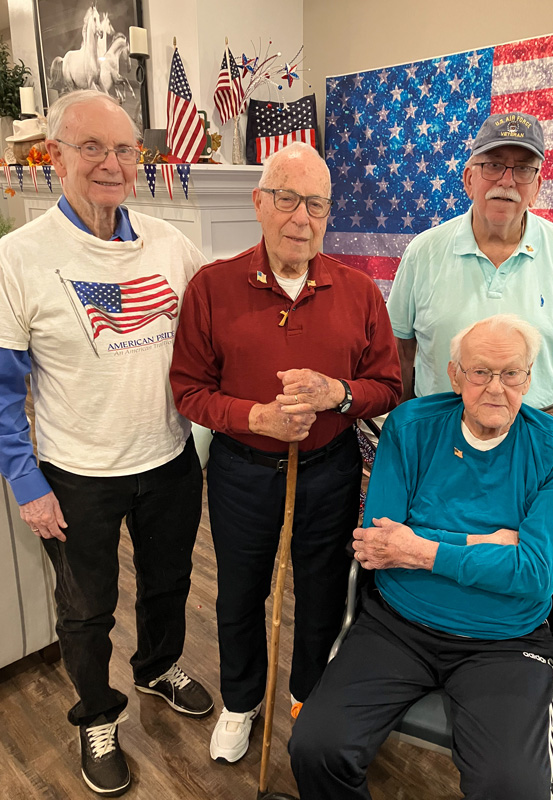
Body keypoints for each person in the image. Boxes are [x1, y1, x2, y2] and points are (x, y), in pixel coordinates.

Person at [0, 90, 213, 797]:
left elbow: (220, 324)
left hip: (170, 459)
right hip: (75, 473)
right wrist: (25, 481)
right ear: (55, 155)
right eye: (90, 147)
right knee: (86, 610)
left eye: (123, 149)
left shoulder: (170, 243)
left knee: (169, 584)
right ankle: (96, 715)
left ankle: (157, 666)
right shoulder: (19, 258)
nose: (110, 163)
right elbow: (2, 388)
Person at [289, 314, 553, 800]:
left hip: (505, 640)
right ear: (454, 375)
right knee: (315, 748)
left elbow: (534, 575)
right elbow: (378, 541)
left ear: (530, 378)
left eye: (512, 373)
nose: (496, 388)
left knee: (512, 789)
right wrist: (491, 543)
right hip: (397, 625)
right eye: (480, 372)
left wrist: (420, 547)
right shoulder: (412, 424)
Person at [170, 141, 403, 764]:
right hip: (242, 472)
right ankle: (242, 702)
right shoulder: (213, 287)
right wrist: (256, 417)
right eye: (288, 199)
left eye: (317, 204)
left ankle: (306, 695)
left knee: (323, 588)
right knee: (241, 592)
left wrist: (339, 393)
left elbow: (388, 384)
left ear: (329, 213)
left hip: (329, 470)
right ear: (260, 203)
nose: (302, 217)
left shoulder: (358, 291)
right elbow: (188, 391)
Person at [387, 111, 553, 496]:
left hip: (541, 441)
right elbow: (400, 352)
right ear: (469, 177)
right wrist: (400, 434)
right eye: (494, 165)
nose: (507, 181)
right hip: (440, 439)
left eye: (523, 169)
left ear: (537, 186)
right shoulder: (423, 252)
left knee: (534, 554)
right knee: (434, 549)